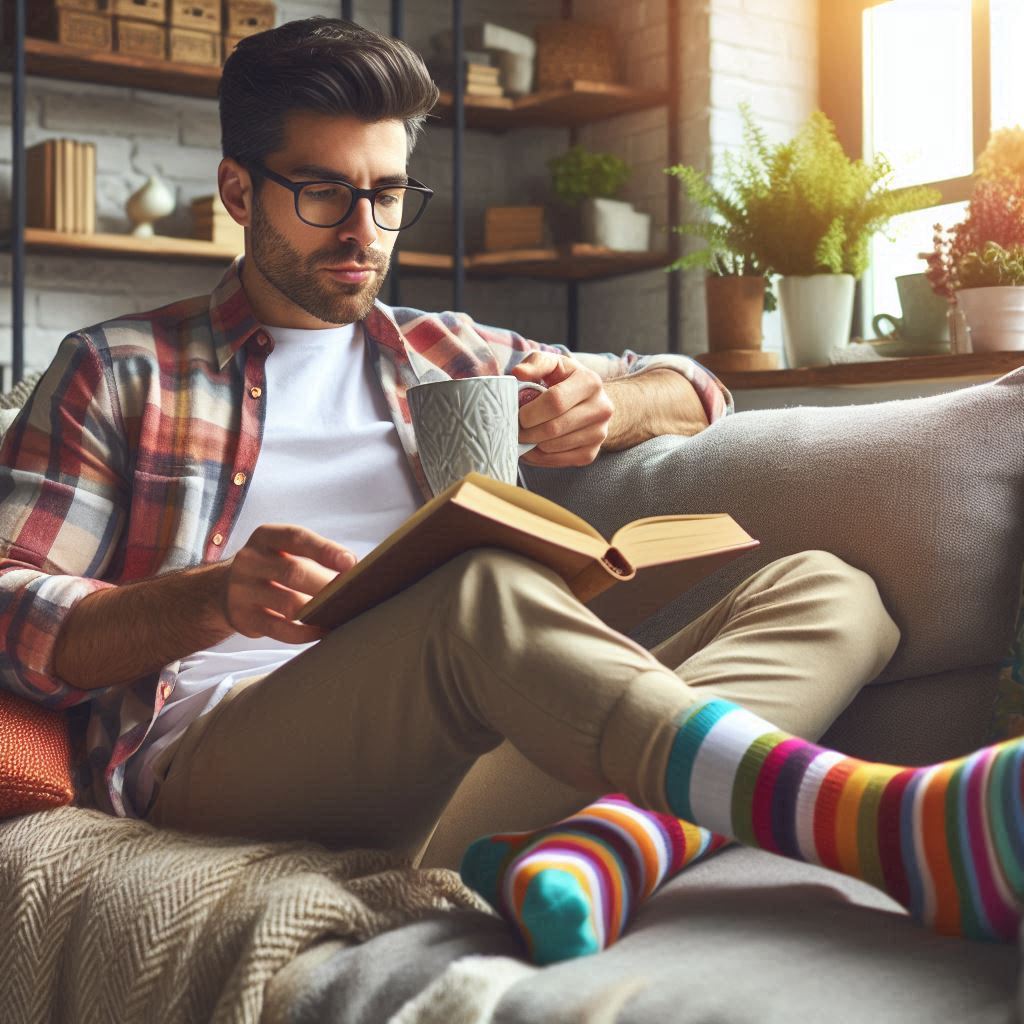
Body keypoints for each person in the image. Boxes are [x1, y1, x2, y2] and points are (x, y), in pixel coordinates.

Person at [0, 17, 1018, 968]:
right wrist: (209, 596)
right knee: (469, 585)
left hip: (474, 758)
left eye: (388, 193)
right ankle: (865, 821)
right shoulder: (120, 370)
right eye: (323, 192)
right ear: (237, 189)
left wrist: (609, 405)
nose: (363, 228)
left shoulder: (450, 348)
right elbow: (11, 607)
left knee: (830, 588)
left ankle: (601, 849)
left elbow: (699, 384)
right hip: (226, 761)